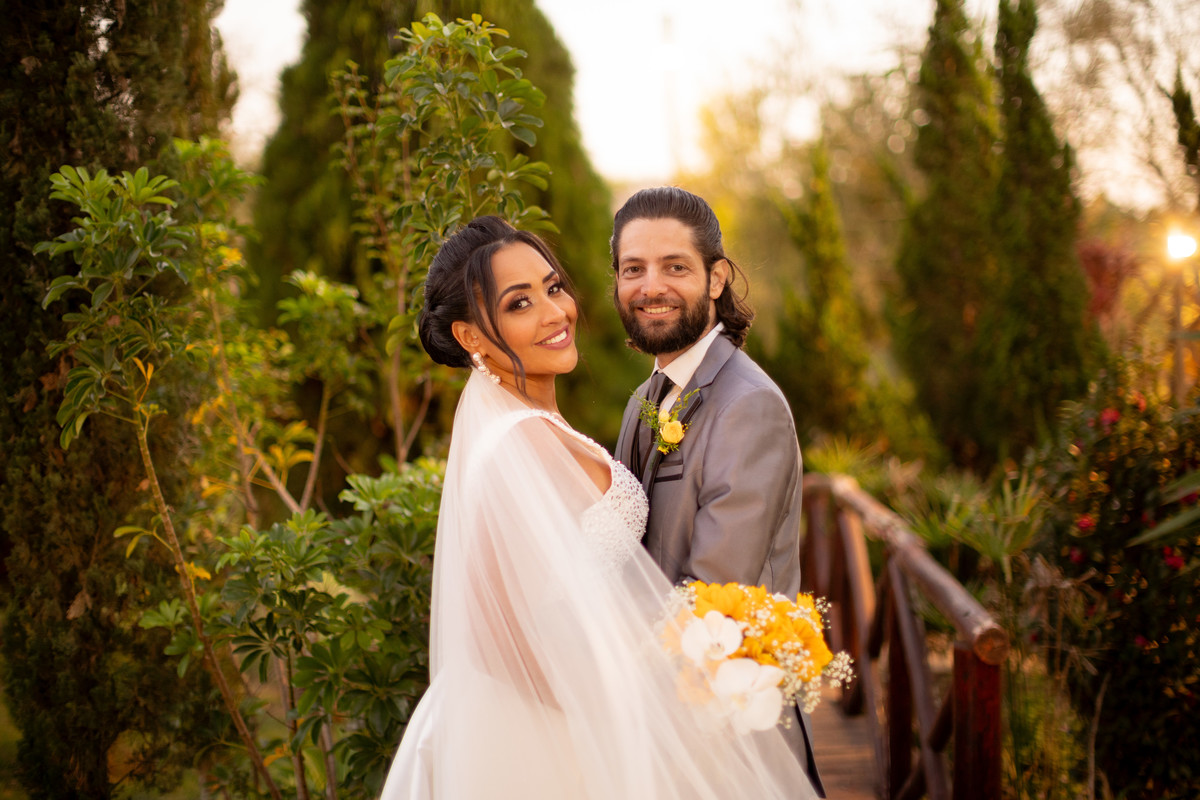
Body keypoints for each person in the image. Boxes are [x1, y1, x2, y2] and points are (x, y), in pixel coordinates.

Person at [380, 215, 817, 799]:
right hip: (542, 729)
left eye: (553, 287)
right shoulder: (516, 442)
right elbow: (493, 632)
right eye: (519, 304)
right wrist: (617, 711)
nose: (554, 313)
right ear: (471, 337)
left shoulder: (543, 424)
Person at [611, 186, 825, 796]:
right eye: (634, 269)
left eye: (675, 266)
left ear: (716, 278)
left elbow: (713, 595)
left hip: (729, 745)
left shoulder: (747, 405)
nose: (651, 286)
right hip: (659, 737)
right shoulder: (645, 400)